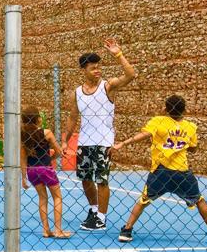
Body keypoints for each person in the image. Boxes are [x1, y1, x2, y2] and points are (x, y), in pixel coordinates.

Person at [113, 95, 207, 245]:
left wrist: (123, 143)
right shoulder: (190, 127)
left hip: (161, 171)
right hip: (182, 171)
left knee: (143, 201)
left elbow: (144, 134)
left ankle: (127, 230)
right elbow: (193, 148)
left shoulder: (158, 121)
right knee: (199, 200)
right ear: (185, 109)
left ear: (165, 109)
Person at [61, 38, 137, 231]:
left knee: (102, 180)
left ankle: (101, 218)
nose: (97, 70)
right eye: (93, 68)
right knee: (86, 179)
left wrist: (118, 55)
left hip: (104, 142)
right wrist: (65, 141)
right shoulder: (77, 93)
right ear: (83, 70)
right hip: (85, 142)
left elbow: (130, 75)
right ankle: (94, 210)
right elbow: (72, 118)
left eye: (98, 67)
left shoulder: (108, 86)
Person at [21, 107, 71, 239]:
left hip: (31, 171)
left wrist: (23, 177)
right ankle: (58, 230)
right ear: (38, 119)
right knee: (57, 197)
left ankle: (46, 230)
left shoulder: (23, 135)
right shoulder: (47, 133)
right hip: (45, 169)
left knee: (42, 198)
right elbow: (59, 151)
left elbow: (23, 158)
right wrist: (52, 158)